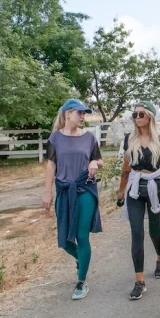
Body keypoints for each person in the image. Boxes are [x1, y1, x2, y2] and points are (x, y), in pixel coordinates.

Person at [42, 98, 104, 300]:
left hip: (84, 189)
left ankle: (81, 281)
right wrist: (48, 193)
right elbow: (51, 166)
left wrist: (94, 161)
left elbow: (99, 160)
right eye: (80, 113)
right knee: (65, 240)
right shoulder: (55, 138)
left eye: (85, 113)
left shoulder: (89, 138)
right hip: (63, 191)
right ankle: (81, 258)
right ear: (68, 113)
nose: (83, 116)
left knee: (82, 235)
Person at [117, 101, 160, 300]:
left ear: (150, 117)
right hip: (135, 189)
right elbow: (126, 167)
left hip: (156, 187)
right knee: (137, 233)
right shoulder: (129, 139)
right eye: (135, 115)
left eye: (141, 114)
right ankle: (139, 281)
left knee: (155, 232)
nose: (137, 118)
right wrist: (121, 192)